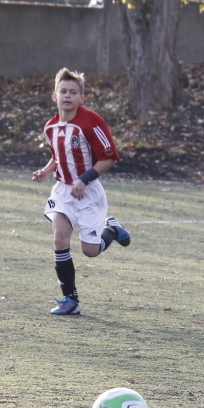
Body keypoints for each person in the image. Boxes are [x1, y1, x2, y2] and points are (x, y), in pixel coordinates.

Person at [31, 68, 131, 316]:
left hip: (88, 193)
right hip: (63, 192)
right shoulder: (51, 127)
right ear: (54, 96)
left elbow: (109, 157)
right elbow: (58, 156)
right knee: (60, 239)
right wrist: (45, 171)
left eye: (73, 92)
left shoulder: (91, 122)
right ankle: (70, 300)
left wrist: (84, 180)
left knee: (90, 251)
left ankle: (112, 229)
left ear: (81, 98)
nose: (67, 96)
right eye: (63, 91)